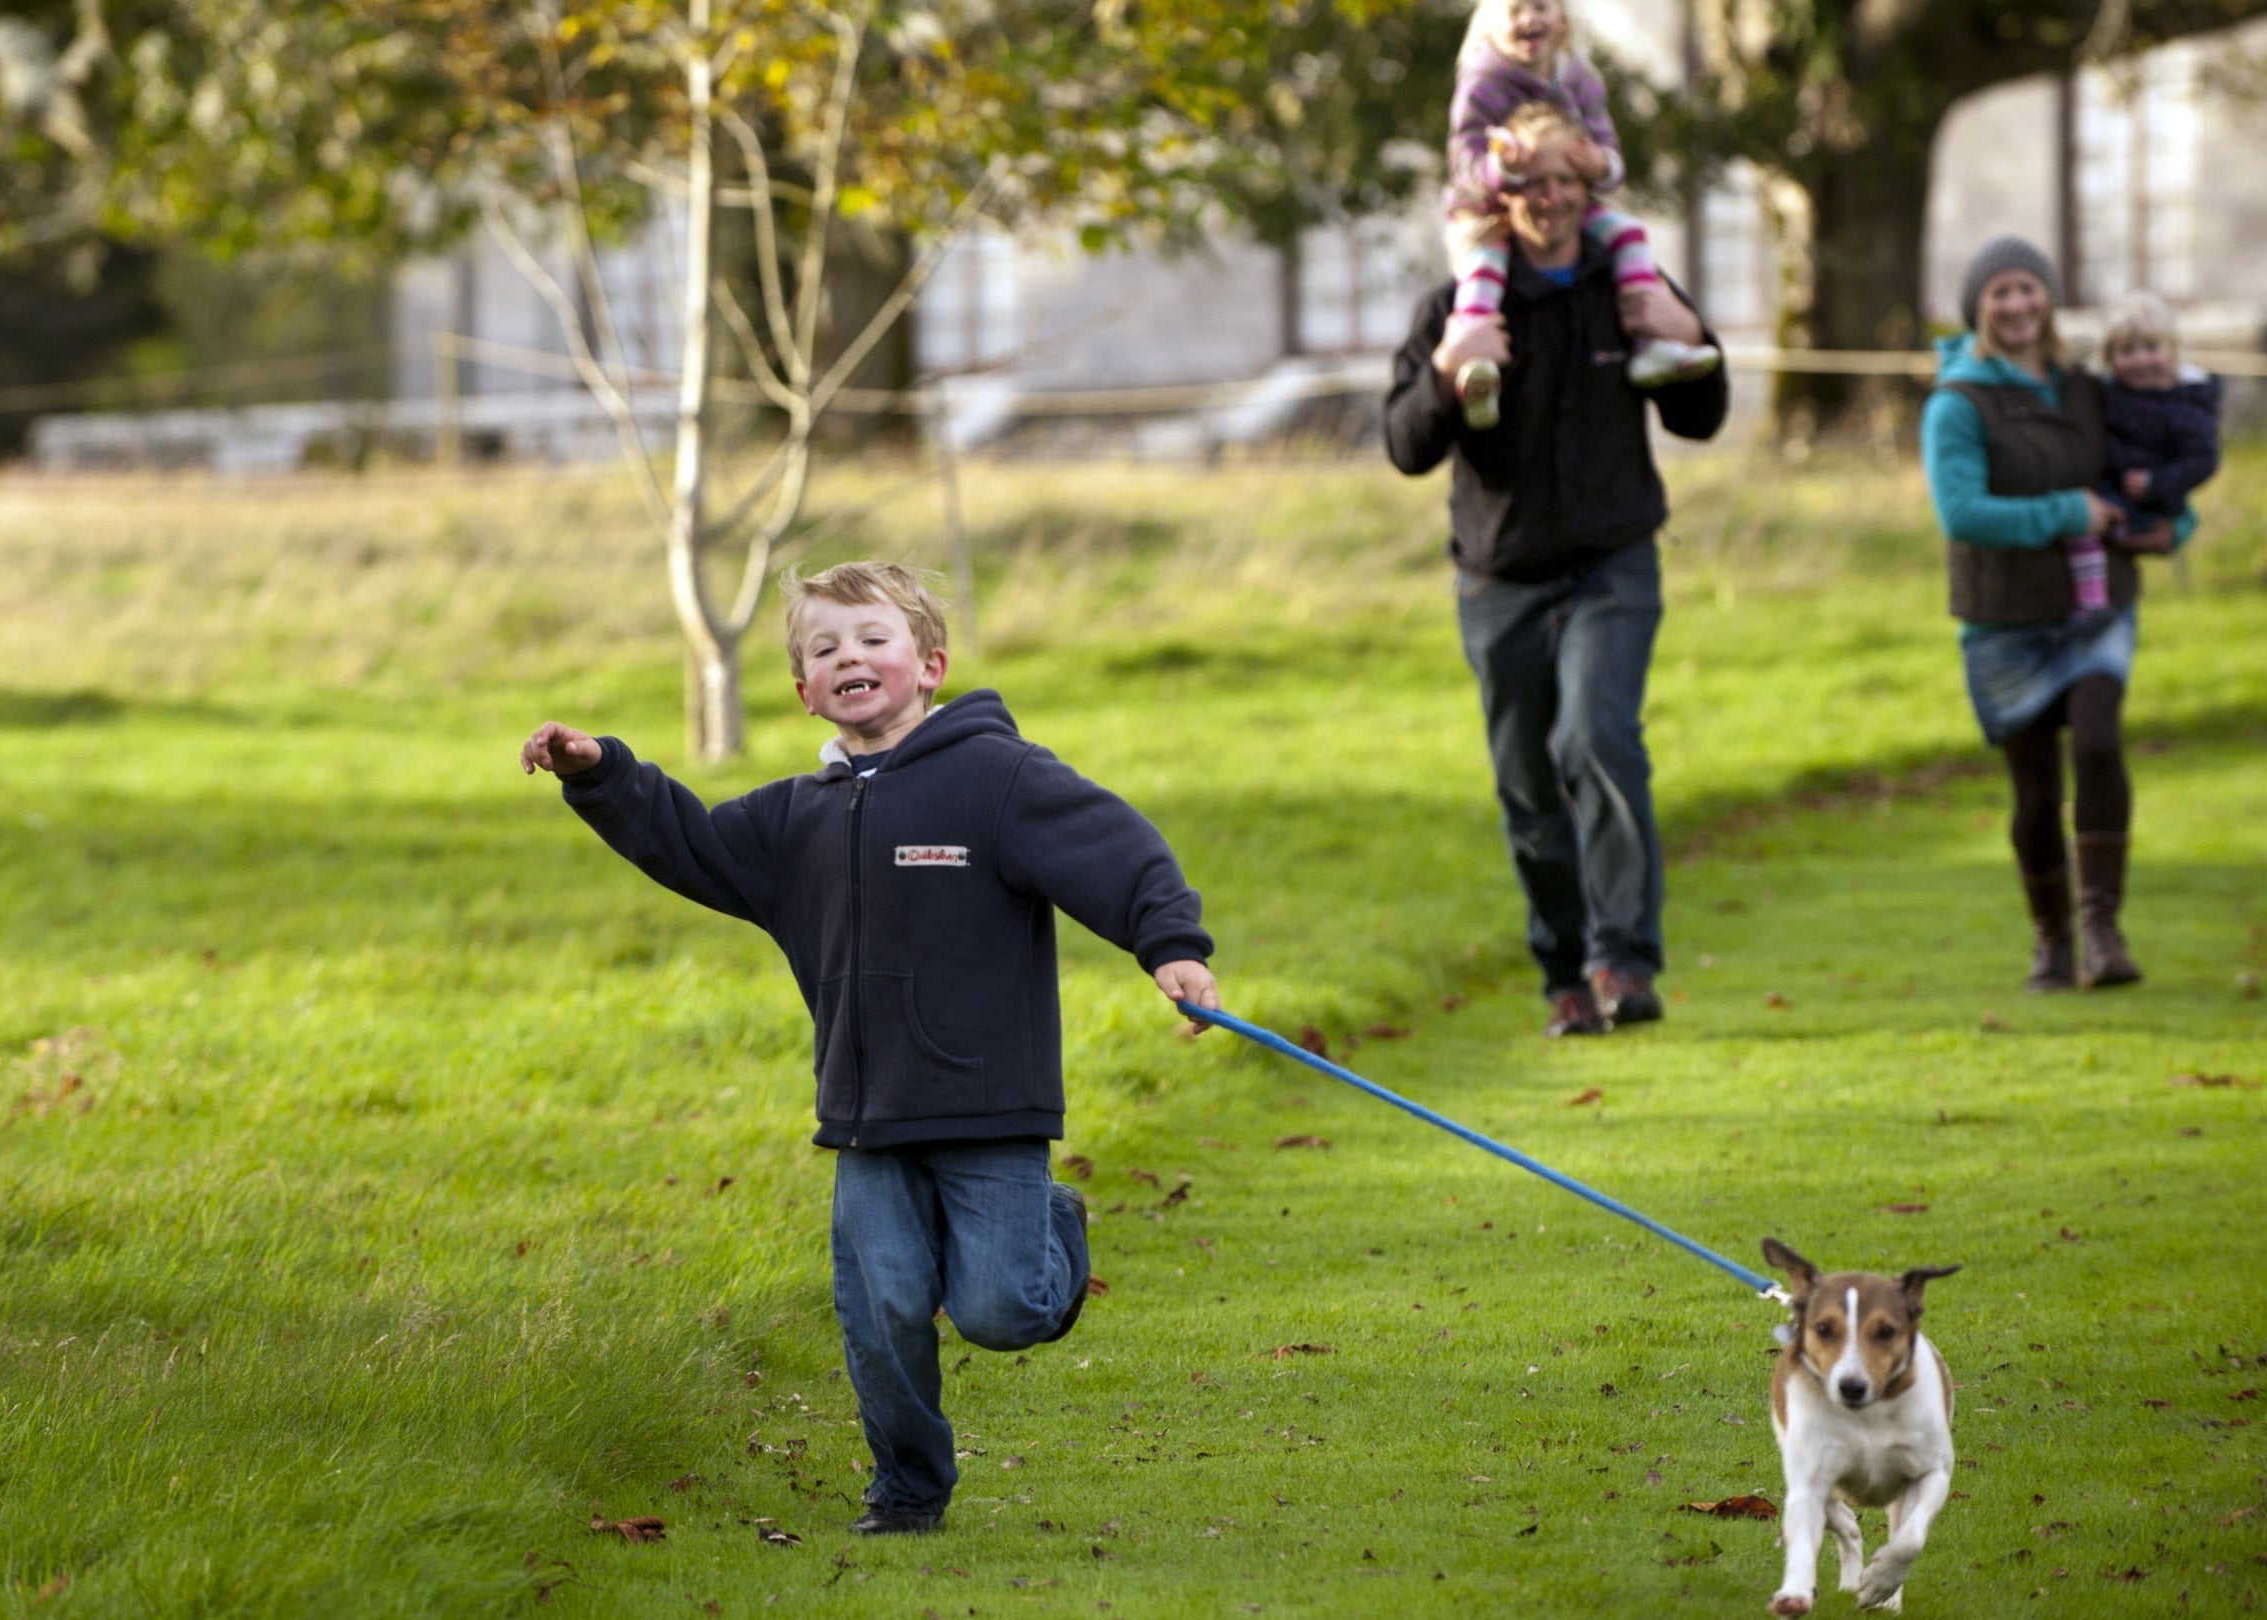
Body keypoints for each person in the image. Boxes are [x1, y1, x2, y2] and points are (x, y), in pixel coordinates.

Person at [519, 562, 1222, 1535]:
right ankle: (906, 1488)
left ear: (929, 664)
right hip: (868, 1115)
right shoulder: (792, 818)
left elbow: (1116, 849)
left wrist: (1171, 945)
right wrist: (602, 773)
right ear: (805, 689)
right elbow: (686, 842)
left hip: (992, 1109)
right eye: (823, 648)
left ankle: (1049, 1231)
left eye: (872, 639)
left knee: (1001, 1312)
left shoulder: (999, 779)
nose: (849, 656)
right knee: (883, 1311)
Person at [1384, 100, 1729, 1039]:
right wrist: (1449, 375)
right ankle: (1563, 971)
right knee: (1530, 783)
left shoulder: (1630, 284)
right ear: (1500, 194)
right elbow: (1405, 447)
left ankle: (1622, 959)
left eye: (1567, 182)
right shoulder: (1457, 304)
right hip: (1500, 579)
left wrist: (1690, 338)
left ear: (1591, 188)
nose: (1551, 199)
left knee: (1598, 740)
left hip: (1613, 563)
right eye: (1530, 183)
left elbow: (1700, 418)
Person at [1922, 236, 2178, 990]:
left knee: (2098, 740)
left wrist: (2173, 527)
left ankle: (2103, 931)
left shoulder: (2085, 388)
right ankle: (2053, 943)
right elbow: (1962, 513)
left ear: (2049, 299)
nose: (2017, 305)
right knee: (2035, 788)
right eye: (2000, 292)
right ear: (1979, 308)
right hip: (2005, 619)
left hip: (2097, 608)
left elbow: (2149, 472)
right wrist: (2070, 510)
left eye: (2028, 289)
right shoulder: (1957, 402)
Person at [1441, 0, 1720, 429]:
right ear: (1491, 22)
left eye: (1540, 7)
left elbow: (1611, 156)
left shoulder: (1581, 78)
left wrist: (1600, 165)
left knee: (1627, 230)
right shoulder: (1482, 79)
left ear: (1564, 19)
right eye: (1514, 10)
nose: (1529, 19)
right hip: (1486, 213)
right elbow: (1464, 164)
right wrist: (1505, 169)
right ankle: (1477, 366)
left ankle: (1650, 344)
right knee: (1483, 262)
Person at [2088, 289, 2220, 626]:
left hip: (2152, 500)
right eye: (2126, 351)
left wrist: (2155, 484)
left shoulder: (2186, 404)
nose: (2140, 360)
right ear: (2109, 357)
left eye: (2151, 348)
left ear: (2173, 351)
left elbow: (2204, 459)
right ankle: (2088, 595)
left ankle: (2092, 600)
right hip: (2108, 487)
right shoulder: (2107, 395)